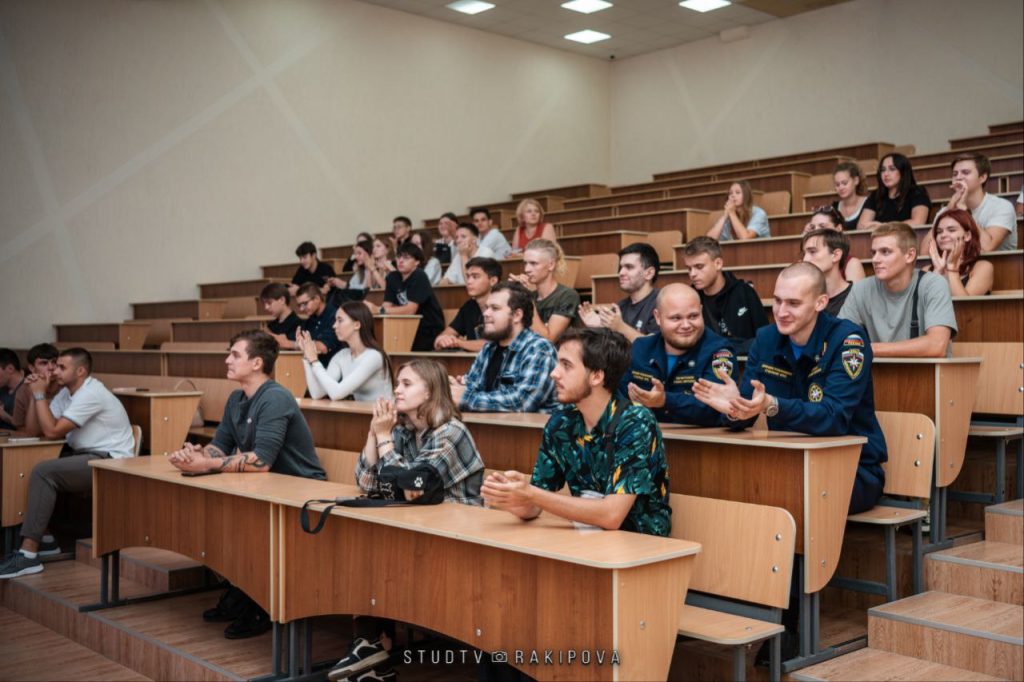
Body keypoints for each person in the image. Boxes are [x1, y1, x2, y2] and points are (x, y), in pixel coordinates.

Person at [331, 358, 485, 682]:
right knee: (364, 544)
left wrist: (384, 440)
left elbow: (413, 485)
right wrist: (375, 432)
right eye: (397, 384)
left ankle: (373, 651)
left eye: (407, 384)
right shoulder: (403, 431)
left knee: (375, 551)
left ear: (429, 392)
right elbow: (367, 482)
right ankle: (372, 650)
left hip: (460, 538)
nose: (397, 390)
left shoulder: (451, 432)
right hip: (422, 528)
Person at [166, 330, 326, 639]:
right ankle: (242, 589)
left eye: (235, 355)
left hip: (301, 491)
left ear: (256, 363)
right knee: (221, 520)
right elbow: (220, 446)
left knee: (248, 526)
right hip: (268, 487)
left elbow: (261, 460)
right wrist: (196, 456)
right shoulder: (236, 398)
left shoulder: (275, 397)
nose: (227, 360)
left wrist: (206, 464)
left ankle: (261, 603)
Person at [693, 262, 887, 515]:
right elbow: (748, 411)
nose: (781, 312)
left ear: (820, 302)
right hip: (785, 463)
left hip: (851, 468)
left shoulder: (848, 341)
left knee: (777, 495)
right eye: (777, 301)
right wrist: (735, 408)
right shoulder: (765, 339)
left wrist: (772, 405)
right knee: (727, 487)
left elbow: (834, 417)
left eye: (793, 303)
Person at [481, 328, 671, 536]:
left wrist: (532, 494)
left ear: (596, 376)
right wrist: (510, 496)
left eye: (566, 365)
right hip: (587, 538)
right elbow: (534, 506)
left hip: (641, 544)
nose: (554, 373)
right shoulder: (561, 421)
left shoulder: (635, 421)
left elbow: (612, 516)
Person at [0, 347, 135, 579]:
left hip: (111, 461)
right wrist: (36, 393)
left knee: (43, 472)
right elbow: (34, 430)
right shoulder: (66, 393)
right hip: (85, 456)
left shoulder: (91, 393)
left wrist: (41, 395)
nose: (54, 371)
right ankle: (46, 539)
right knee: (28, 465)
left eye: (61, 367)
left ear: (80, 371)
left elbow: (52, 432)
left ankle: (28, 555)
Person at [621, 284, 737, 426]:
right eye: (676, 318)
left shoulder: (720, 352)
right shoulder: (640, 348)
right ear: (657, 317)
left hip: (700, 439)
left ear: (701, 311)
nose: (686, 325)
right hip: (642, 434)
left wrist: (665, 400)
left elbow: (716, 407)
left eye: (693, 316)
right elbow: (619, 396)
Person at [839, 222, 957, 357]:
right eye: (873, 253)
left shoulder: (933, 284)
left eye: (885, 252)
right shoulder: (861, 289)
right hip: (878, 369)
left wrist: (867, 348)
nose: (875, 259)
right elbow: (838, 339)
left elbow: (937, 346)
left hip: (927, 370)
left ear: (910, 255)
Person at [449, 282, 558, 413]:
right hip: (492, 425)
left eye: (495, 308)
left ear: (517, 315)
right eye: (487, 307)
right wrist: (455, 388)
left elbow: (523, 402)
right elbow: (472, 386)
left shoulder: (539, 349)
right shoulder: (488, 348)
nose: (486, 313)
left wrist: (466, 398)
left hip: (532, 426)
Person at [681, 236, 768, 355]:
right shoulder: (690, 298)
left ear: (718, 263)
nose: (692, 274)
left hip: (745, 363)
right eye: (689, 268)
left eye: (699, 267)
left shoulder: (744, 292)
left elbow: (764, 338)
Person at [923, 152, 1018, 252]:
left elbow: (987, 248)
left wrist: (964, 212)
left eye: (966, 172)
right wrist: (948, 210)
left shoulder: (1002, 207)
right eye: (955, 174)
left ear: (982, 177)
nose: (958, 177)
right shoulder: (947, 209)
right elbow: (924, 252)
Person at [299, 301, 393, 402]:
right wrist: (307, 357)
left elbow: (337, 393)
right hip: (361, 411)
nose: (334, 326)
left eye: (340, 320)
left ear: (357, 325)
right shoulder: (342, 355)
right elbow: (317, 393)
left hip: (384, 412)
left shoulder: (374, 356)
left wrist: (314, 361)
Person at [579, 243, 660, 341]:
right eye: (621, 268)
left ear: (649, 273)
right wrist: (600, 329)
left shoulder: (662, 303)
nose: (621, 273)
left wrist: (620, 327)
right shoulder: (620, 306)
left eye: (629, 267)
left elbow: (653, 346)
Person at [509, 238, 580, 342]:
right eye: (525, 263)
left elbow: (548, 339)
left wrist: (526, 297)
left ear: (551, 265)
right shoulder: (530, 296)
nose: (526, 269)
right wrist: (512, 293)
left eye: (534, 263)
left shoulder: (567, 295)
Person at [380, 242, 446, 352]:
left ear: (417, 262)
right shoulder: (392, 277)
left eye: (406, 258)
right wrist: (380, 310)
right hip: (406, 325)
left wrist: (380, 310)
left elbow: (410, 310)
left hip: (428, 328)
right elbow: (387, 305)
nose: (400, 261)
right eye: (399, 257)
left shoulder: (419, 275)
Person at [434, 257, 502, 353]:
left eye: (475, 277)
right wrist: (442, 340)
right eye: (468, 277)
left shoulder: (503, 306)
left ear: (493, 281)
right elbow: (441, 338)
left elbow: (495, 344)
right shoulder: (469, 307)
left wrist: (459, 343)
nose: (469, 282)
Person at [923, 209, 994, 296]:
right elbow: (923, 303)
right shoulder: (926, 270)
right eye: (939, 231)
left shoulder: (982, 267)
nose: (943, 235)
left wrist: (952, 269)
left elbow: (964, 304)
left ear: (967, 236)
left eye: (951, 230)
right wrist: (937, 273)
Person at [857, 154, 930, 229]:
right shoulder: (876, 195)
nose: (886, 174)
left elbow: (918, 222)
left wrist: (883, 227)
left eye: (892, 169)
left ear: (903, 172)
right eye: (883, 170)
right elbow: (861, 226)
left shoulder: (917, 193)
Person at [803, 205, 866, 282]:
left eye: (822, 226)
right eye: (812, 227)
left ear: (838, 228)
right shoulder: (807, 260)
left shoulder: (851, 263)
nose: (816, 231)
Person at [802, 229, 857, 316]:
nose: (805, 259)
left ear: (836, 255)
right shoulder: (802, 295)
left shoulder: (857, 296)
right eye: (804, 254)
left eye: (812, 252)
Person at [8, 343, 60, 436]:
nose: (51, 367)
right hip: (36, 441)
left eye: (54, 362)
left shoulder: (65, 386)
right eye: (44, 363)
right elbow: (21, 427)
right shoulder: (24, 389)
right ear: (32, 368)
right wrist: (35, 393)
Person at [705, 181, 770, 241]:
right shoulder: (729, 216)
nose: (733, 195)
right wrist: (724, 217)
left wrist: (732, 213)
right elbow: (708, 241)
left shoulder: (759, 213)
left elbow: (745, 238)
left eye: (738, 192)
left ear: (746, 195)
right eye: (730, 193)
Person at [295, 282, 341, 365]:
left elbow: (323, 347)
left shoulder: (335, 316)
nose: (301, 309)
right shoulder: (310, 320)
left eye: (305, 303)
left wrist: (294, 344)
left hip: (334, 366)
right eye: (299, 305)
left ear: (317, 298)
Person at [327, 238, 374, 307]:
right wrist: (340, 283)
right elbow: (351, 287)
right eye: (355, 254)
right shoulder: (360, 272)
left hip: (359, 303)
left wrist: (369, 267)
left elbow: (368, 292)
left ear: (368, 254)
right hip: (350, 301)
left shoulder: (373, 271)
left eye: (359, 253)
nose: (356, 257)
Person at [261, 282, 301, 349]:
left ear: (282, 300)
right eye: (264, 304)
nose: (266, 307)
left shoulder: (299, 324)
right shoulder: (270, 326)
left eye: (269, 303)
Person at [832, 161, 870, 230]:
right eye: (837, 185)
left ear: (856, 180)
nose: (841, 188)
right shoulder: (834, 207)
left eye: (844, 183)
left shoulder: (869, 203)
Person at [0, 349, 25, 430]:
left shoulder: (28, 390)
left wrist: (4, 416)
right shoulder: (3, 388)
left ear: (10, 369)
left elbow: (29, 429)